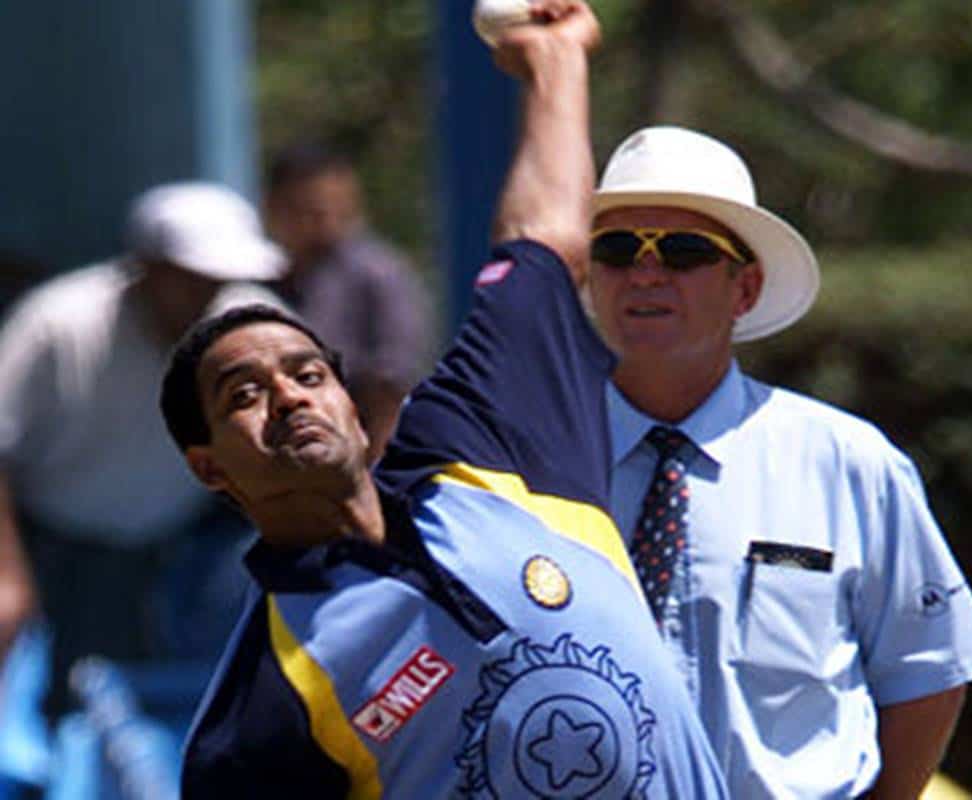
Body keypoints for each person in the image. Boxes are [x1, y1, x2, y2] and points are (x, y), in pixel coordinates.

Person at [162, 5, 729, 797]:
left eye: (309, 373)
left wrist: (558, 63)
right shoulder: (264, 704)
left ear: (354, 409)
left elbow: (542, 245)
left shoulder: (488, 452)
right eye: (245, 395)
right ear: (210, 468)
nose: (289, 397)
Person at [588, 125, 972, 799]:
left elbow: (929, 671)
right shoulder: (528, 466)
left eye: (685, 251)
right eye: (615, 249)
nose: (644, 271)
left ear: (744, 288)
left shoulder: (848, 462)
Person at [0, 181, 287, 718]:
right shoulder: (59, 323)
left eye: (219, 281)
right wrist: (7, 576)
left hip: (193, 545)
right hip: (58, 549)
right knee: (69, 710)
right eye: (192, 279)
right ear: (147, 266)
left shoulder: (253, 324)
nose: (207, 295)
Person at [264, 141, 434, 462]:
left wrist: (378, 473)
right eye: (307, 211)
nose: (324, 223)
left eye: (333, 209)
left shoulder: (377, 276)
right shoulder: (267, 280)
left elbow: (391, 385)